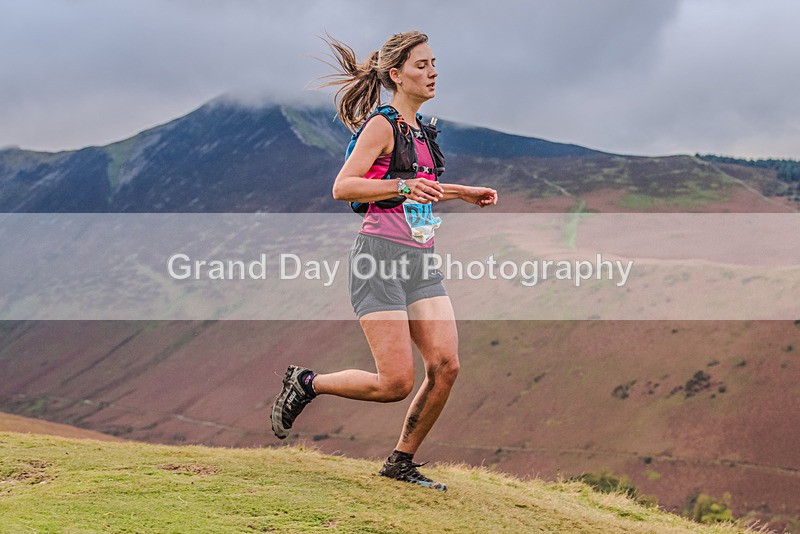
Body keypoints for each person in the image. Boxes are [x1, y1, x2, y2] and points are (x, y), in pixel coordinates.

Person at [271, 30, 498, 491]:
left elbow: (418, 186)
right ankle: (307, 382)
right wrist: (401, 187)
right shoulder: (383, 125)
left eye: (434, 63)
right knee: (394, 383)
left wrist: (462, 192)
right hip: (378, 261)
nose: (432, 72)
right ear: (396, 74)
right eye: (421, 65)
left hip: (421, 262)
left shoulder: (422, 131)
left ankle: (400, 461)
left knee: (447, 366)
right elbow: (344, 187)